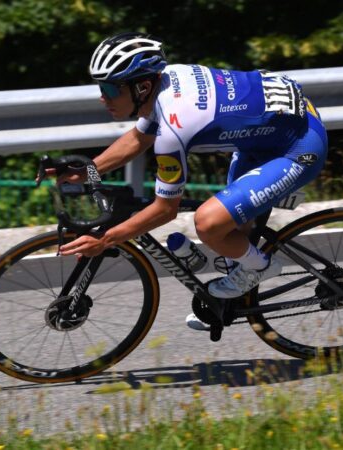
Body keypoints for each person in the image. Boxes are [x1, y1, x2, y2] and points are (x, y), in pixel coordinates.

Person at [55, 32, 328, 327]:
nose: (103, 97)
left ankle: (261, 267)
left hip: (298, 148)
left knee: (208, 223)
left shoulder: (174, 127)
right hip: (270, 134)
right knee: (230, 230)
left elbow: (165, 210)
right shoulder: (165, 81)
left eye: (110, 88)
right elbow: (137, 139)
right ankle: (230, 298)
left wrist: (106, 239)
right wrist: (86, 171)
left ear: (142, 87)